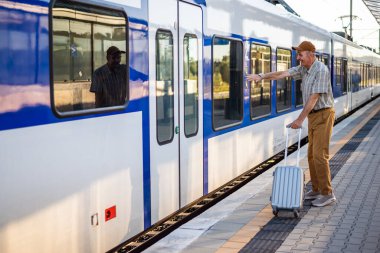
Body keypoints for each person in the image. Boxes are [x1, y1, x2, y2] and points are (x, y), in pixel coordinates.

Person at [247, 41, 336, 207]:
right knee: (311, 155)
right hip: (314, 116)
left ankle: (327, 193)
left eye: (300, 54)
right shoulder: (305, 69)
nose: (298, 58)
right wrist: (261, 76)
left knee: (319, 155)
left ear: (311, 54)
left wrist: (299, 120)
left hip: (324, 115)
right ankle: (316, 189)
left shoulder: (321, 70)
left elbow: (314, 98)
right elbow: (282, 74)